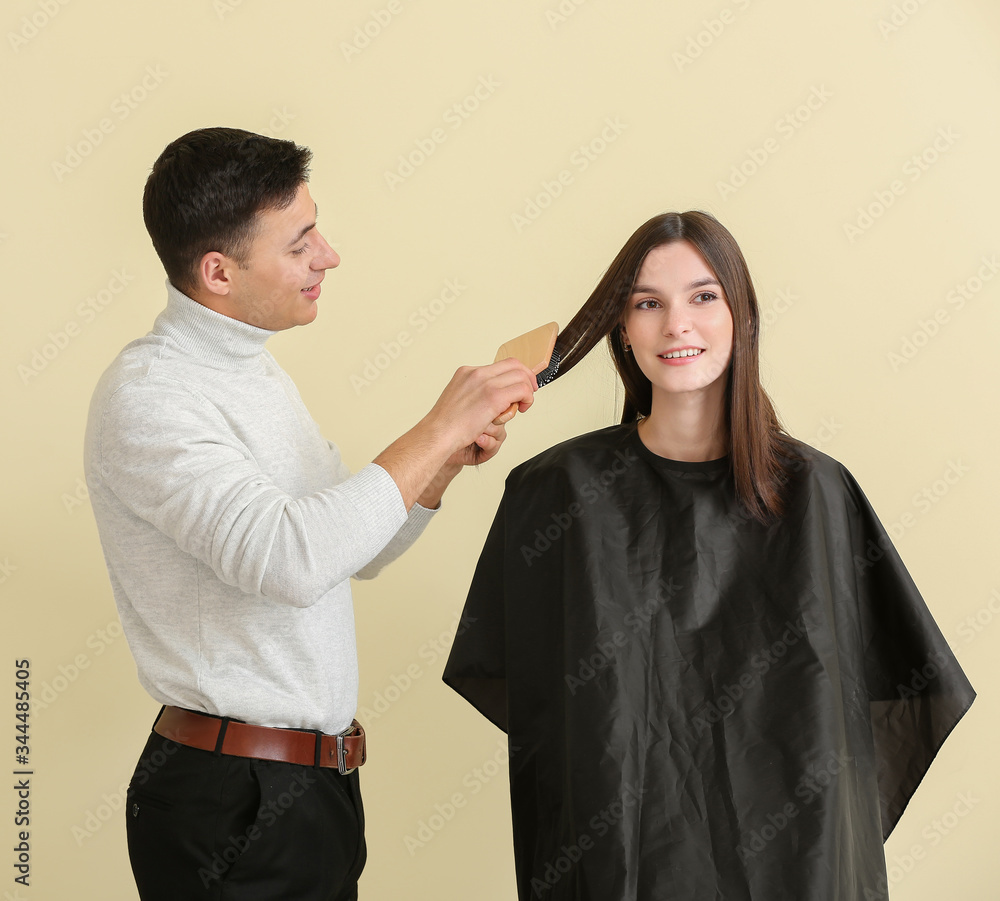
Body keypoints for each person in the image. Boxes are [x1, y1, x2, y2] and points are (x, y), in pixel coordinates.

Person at [443, 211, 975, 900]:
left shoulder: (817, 494)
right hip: (621, 859)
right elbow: (538, 704)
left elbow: (900, 687)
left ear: (741, 316)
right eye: (647, 303)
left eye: (703, 296)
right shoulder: (556, 493)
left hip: (797, 858)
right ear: (622, 330)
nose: (676, 325)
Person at [83, 126, 537, 901]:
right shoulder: (151, 396)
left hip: (305, 791)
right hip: (232, 798)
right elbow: (291, 561)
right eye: (300, 243)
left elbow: (350, 549)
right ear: (218, 271)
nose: (328, 255)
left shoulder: (253, 373)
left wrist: (440, 463)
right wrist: (434, 427)